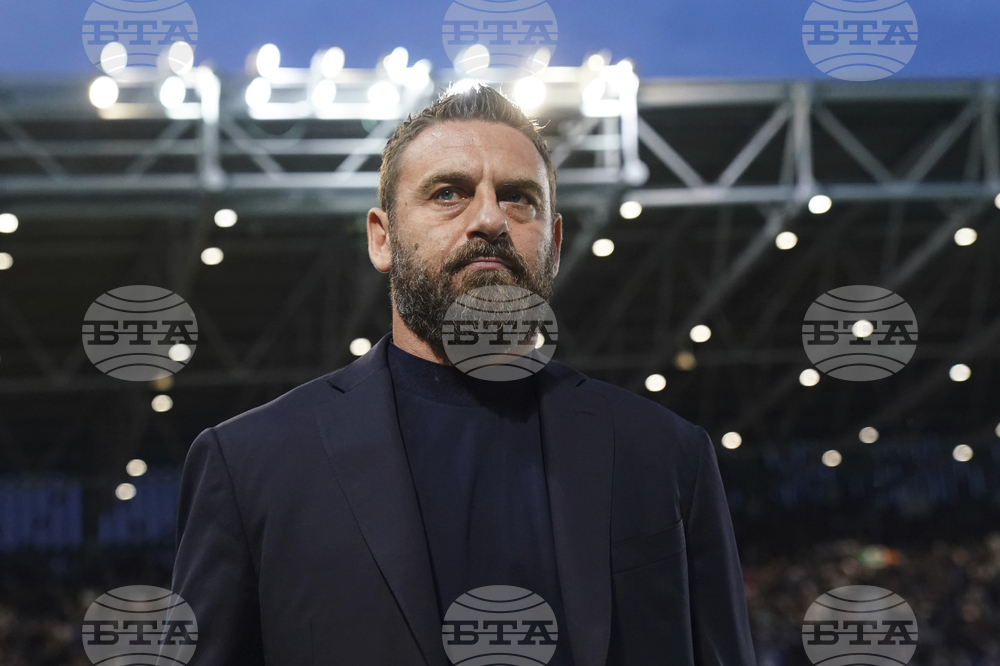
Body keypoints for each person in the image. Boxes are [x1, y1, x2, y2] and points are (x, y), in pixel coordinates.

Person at [169, 83, 756, 666]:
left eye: (518, 198)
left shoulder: (666, 454)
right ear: (382, 238)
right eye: (449, 193)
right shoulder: (250, 464)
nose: (490, 218)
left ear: (553, 244)